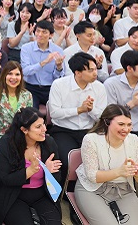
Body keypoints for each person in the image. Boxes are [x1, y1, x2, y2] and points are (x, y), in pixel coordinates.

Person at [74, 104, 138, 225]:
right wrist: (120, 172)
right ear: (107, 122)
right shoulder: (91, 139)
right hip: (92, 189)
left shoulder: (134, 140)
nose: (126, 129)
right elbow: (93, 177)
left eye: (129, 124)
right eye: (121, 124)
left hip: (123, 190)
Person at [0, 107, 61, 225]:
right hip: (14, 195)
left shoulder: (49, 143)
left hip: (42, 194)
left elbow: (57, 178)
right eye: (38, 127)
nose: (44, 129)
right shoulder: (7, 144)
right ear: (24, 130)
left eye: (43, 124)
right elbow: (6, 179)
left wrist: (48, 173)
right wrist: (31, 170)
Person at [48, 52, 107, 181]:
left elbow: (103, 116)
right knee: (67, 159)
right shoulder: (59, 85)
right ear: (78, 72)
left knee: (100, 159)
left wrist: (90, 110)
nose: (95, 73)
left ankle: (88, 189)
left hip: (90, 131)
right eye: (90, 70)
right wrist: (79, 110)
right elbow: (54, 113)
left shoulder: (99, 87)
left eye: (95, 69)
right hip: (63, 130)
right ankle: (66, 191)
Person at [105, 50, 138, 156]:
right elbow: (109, 115)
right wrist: (132, 104)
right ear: (129, 68)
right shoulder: (111, 84)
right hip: (118, 132)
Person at [0, 61, 33, 154]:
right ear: (4, 75)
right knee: (9, 156)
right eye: (10, 74)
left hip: (17, 137)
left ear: (21, 77)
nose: (14, 77)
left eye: (17, 74)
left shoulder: (27, 95)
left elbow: (29, 120)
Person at [20, 20, 65, 107]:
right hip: (31, 88)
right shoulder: (26, 48)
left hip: (50, 88)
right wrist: (44, 62)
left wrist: (59, 67)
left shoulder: (58, 51)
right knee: (32, 113)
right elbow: (25, 71)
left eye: (44, 32)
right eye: (38, 31)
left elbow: (59, 78)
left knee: (57, 111)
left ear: (51, 35)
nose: (40, 35)